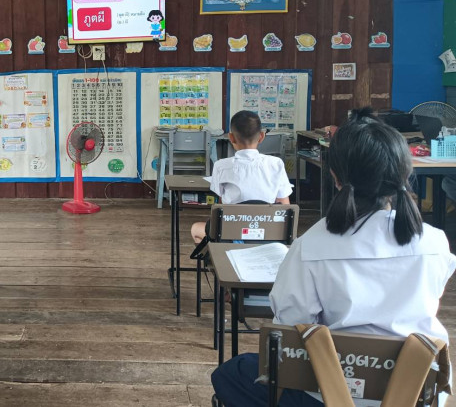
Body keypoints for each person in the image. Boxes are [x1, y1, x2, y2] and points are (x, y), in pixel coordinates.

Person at [211, 108, 456, 406]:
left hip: (325, 392)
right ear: (403, 173)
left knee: (231, 373)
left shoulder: (312, 245)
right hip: (416, 390)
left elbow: (290, 324)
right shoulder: (435, 242)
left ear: (335, 176)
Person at [191, 110, 292, 244]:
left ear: (231, 138)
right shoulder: (276, 164)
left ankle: (220, 256)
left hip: (232, 235)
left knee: (195, 229)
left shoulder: (221, 166)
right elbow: (285, 206)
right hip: (268, 236)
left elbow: (221, 207)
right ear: (261, 136)